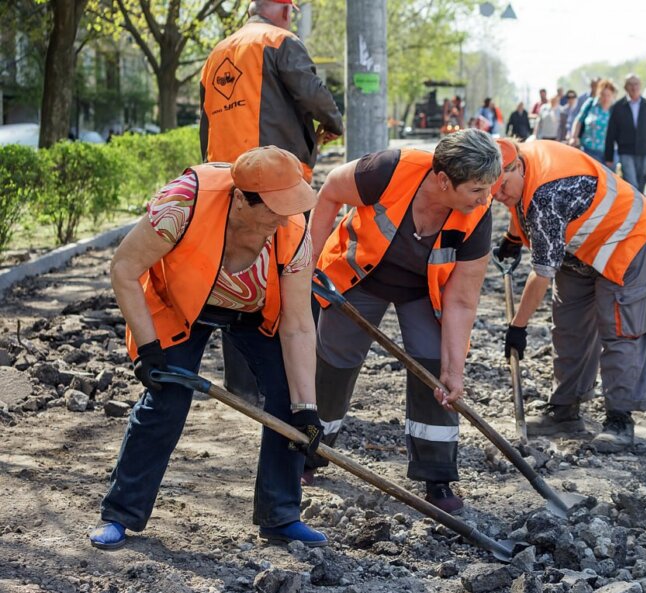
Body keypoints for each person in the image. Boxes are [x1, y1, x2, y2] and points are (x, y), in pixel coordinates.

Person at [89, 146, 327, 550]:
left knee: (290, 404)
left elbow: (299, 325)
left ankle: (281, 516)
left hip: (255, 311)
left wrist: (307, 408)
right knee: (167, 399)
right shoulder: (183, 202)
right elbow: (124, 269)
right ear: (239, 198)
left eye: (289, 207)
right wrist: (148, 351)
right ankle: (120, 514)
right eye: (272, 209)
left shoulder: (293, 229)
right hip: (181, 305)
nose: (282, 219)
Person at [307, 129, 502, 514]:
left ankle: (437, 475)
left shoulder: (478, 215)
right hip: (360, 275)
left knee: (434, 368)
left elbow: (462, 300)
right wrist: (306, 266)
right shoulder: (387, 170)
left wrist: (455, 370)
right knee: (334, 359)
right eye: (477, 189)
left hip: (422, 289)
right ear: (444, 180)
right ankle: (308, 452)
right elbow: (330, 190)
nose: (486, 198)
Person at [199, 0, 343, 405]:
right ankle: (289, 381)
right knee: (291, 271)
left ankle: (243, 386)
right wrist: (333, 123)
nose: (292, 15)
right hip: (280, 183)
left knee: (234, 274)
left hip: (228, 181)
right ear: (281, 9)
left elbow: (206, 122)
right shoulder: (280, 41)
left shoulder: (217, 54)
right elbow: (312, 92)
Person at [492, 138, 646, 452]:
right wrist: (513, 236)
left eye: (502, 188)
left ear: (518, 167)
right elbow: (520, 202)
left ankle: (620, 419)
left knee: (618, 326)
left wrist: (518, 326)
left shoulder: (547, 195)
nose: (500, 197)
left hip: (624, 236)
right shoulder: (519, 166)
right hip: (578, 247)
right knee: (569, 326)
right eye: (493, 193)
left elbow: (541, 273)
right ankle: (565, 411)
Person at [604, 73, 646, 193]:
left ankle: (639, 209)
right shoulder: (618, 107)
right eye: (630, 84)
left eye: (636, 84)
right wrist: (608, 156)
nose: (633, 87)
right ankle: (636, 208)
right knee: (632, 183)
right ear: (625, 87)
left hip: (645, 150)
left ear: (640, 86)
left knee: (641, 183)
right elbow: (611, 132)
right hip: (626, 151)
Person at [569, 79, 617, 165]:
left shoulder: (616, 109)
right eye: (603, 95)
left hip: (609, 154)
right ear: (598, 94)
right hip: (589, 150)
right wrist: (574, 137)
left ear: (612, 95)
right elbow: (579, 120)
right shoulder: (591, 104)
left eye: (608, 95)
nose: (605, 98)